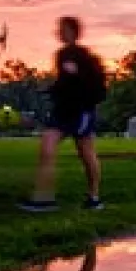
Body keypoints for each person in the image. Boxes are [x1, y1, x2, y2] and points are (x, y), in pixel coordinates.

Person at [21, 16, 106, 212]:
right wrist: (48, 89)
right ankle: (44, 198)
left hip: (81, 111)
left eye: (63, 28)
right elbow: (64, 84)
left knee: (86, 153)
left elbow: (92, 83)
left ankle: (93, 197)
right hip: (63, 111)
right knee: (47, 145)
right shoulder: (61, 54)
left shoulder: (84, 56)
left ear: (73, 32)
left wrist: (78, 73)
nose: (59, 31)